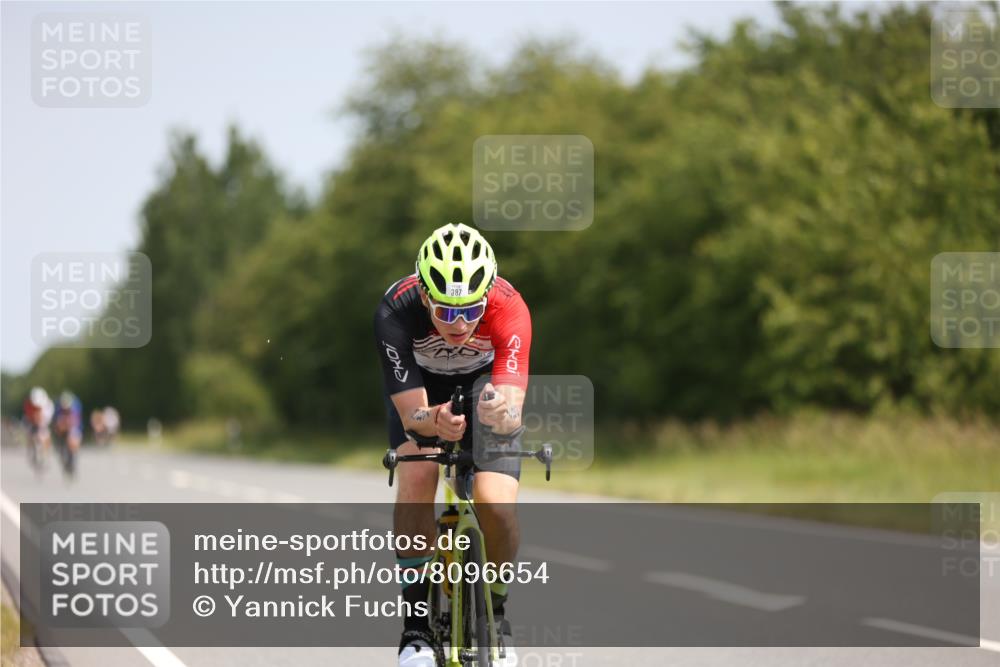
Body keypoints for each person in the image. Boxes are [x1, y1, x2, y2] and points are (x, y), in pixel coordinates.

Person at [375, 222, 530, 667]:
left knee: (495, 503)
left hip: (484, 389)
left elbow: (513, 403)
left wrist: (504, 413)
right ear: (424, 296)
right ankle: (416, 629)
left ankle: (496, 615)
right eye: (445, 312)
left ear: (487, 297)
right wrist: (434, 420)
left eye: (470, 311)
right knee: (419, 474)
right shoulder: (395, 311)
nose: (459, 325)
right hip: (421, 393)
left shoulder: (509, 307)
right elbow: (412, 417)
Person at [51, 390, 83, 476]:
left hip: (73, 427)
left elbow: (76, 423)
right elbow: (56, 423)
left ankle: (73, 459)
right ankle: (62, 452)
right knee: (59, 435)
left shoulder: (75, 408)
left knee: (74, 441)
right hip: (62, 428)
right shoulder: (58, 409)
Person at [22, 387, 53, 468]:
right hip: (31, 420)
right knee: (28, 433)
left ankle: (46, 452)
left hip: (43, 421)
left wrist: (40, 421)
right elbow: (27, 417)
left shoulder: (48, 405)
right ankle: (31, 449)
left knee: (44, 434)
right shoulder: (27, 404)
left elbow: (46, 420)